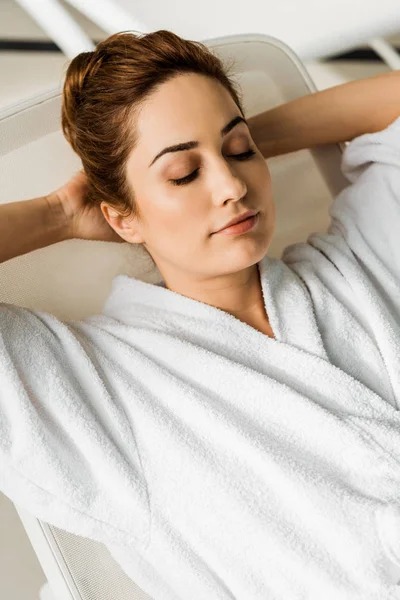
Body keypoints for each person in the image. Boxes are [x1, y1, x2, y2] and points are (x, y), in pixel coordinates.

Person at [1, 29, 400, 600]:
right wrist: (57, 213)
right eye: (183, 174)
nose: (233, 186)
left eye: (241, 153)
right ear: (121, 219)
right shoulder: (101, 396)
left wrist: (228, 137)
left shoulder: (359, 263)